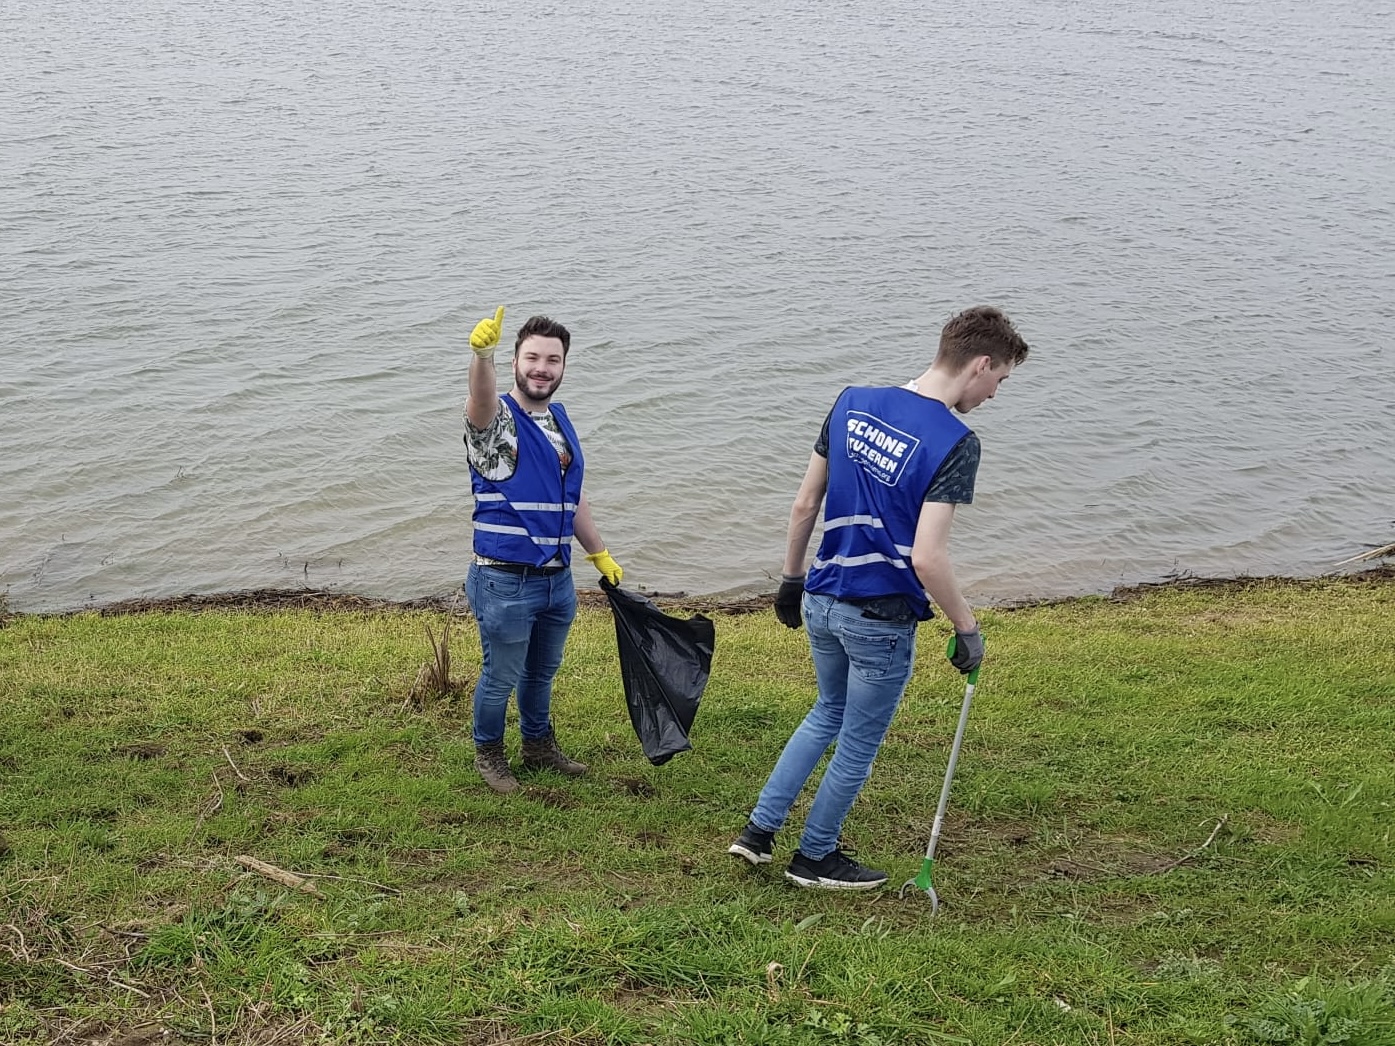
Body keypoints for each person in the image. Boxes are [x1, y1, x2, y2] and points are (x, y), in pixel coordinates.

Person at [728, 305, 1030, 889]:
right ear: (981, 365)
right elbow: (927, 557)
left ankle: (758, 834)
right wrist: (966, 628)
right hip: (880, 614)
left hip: (820, 596)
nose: (995, 394)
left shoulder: (851, 401)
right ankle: (815, 857)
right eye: (1000, 381)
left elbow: (803, 504)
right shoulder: (954, 442)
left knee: (825, 713)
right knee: (858, 742)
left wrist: (790, 581)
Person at [462, 306, 623, 794]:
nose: (542, 368)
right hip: (505, 579)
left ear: (563, 367)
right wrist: (481, 357)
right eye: (532, 357)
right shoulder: (496, 423)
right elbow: (480, 399)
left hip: (556, 579)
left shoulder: (558, 421)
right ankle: (489, 753)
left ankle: (538, 746)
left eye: (553, 359)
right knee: (501, 675)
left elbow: (570, 499)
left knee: (541, 673)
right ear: (515, 361)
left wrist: (599, 553)